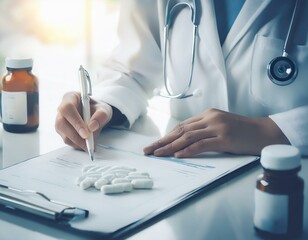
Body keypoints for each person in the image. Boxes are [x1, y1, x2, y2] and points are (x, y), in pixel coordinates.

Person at [55, 0, 308, 157]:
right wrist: (104, 105)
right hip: (186, 175)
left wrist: (274, 131)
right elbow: (135, 67)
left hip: (290, 178)